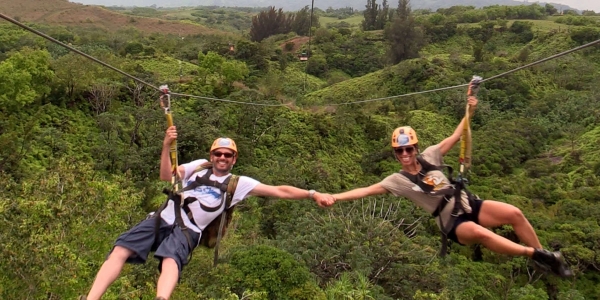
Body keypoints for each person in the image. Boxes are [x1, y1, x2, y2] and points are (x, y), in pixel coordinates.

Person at [324, 95, 573, 278]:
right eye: (400, 151)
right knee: (481, 234)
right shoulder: (397, 181)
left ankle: (547, 258)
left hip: (467, 203)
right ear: (395, 154)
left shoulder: (431, 156)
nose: (405, 154)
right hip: (452, 223)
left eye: (408, 148)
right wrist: (334, 196)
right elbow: (366, 191)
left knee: (514, 213)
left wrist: (470, 111)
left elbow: (456, 136)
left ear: (416, 148)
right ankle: (533, 254)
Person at [81, 126, 335, 300]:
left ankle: (161, 297)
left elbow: (280, 191)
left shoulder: (239, 183)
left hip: (188, 230)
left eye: (228, 155)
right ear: (211, 155)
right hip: (162, 217)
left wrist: (312, 194)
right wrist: (166, 144)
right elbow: (166, 176)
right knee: (120, 249)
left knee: (171, 259)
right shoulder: (197, 167)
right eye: (218, 153)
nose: (222, 158)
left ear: (234, 159)